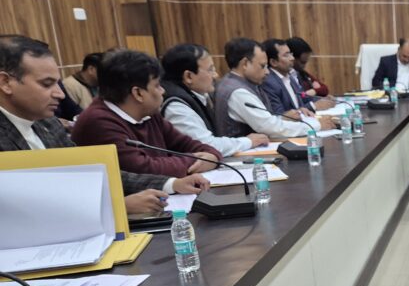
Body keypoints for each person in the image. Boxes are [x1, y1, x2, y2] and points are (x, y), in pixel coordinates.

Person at [0, 36, 207, 215]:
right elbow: (21, 209)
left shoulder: (47, 123)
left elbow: (90, 173)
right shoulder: (95, 120)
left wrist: (171, 184)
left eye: (58, 83)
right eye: (47, 84)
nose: (60, 94)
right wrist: (117, 206)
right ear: (5, 83)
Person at [72, 49, 223, 178]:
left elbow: (189, 144)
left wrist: (212, 155)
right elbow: (142, 169)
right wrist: (196, 160)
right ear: (138, 93)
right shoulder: (99, 122)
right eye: (157, 86)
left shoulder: (148, 113)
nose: (163, 91)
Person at [160, 43, 268, 158]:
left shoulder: (197, 95)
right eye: (210, 70)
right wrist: (248, 141)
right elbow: (207, 146)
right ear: (189, 76)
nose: (215, 75)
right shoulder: (176, 107)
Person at [214, 38, 333, 139]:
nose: (267, 72)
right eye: (262, 66)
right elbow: (271, 128)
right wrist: (316, 125)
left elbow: (266, 121)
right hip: (245, 155)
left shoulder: (235, 83)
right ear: (245, 63)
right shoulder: (238, 92)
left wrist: (282, 117)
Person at [261, 38, 333, 116]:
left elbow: (303, 97)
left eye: (291, 54)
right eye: (286, 55)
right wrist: (313, 106)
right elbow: (280, 115)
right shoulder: (269, 83)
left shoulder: (290, 76)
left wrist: (322, 99)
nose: (292, 58)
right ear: (274, 62)